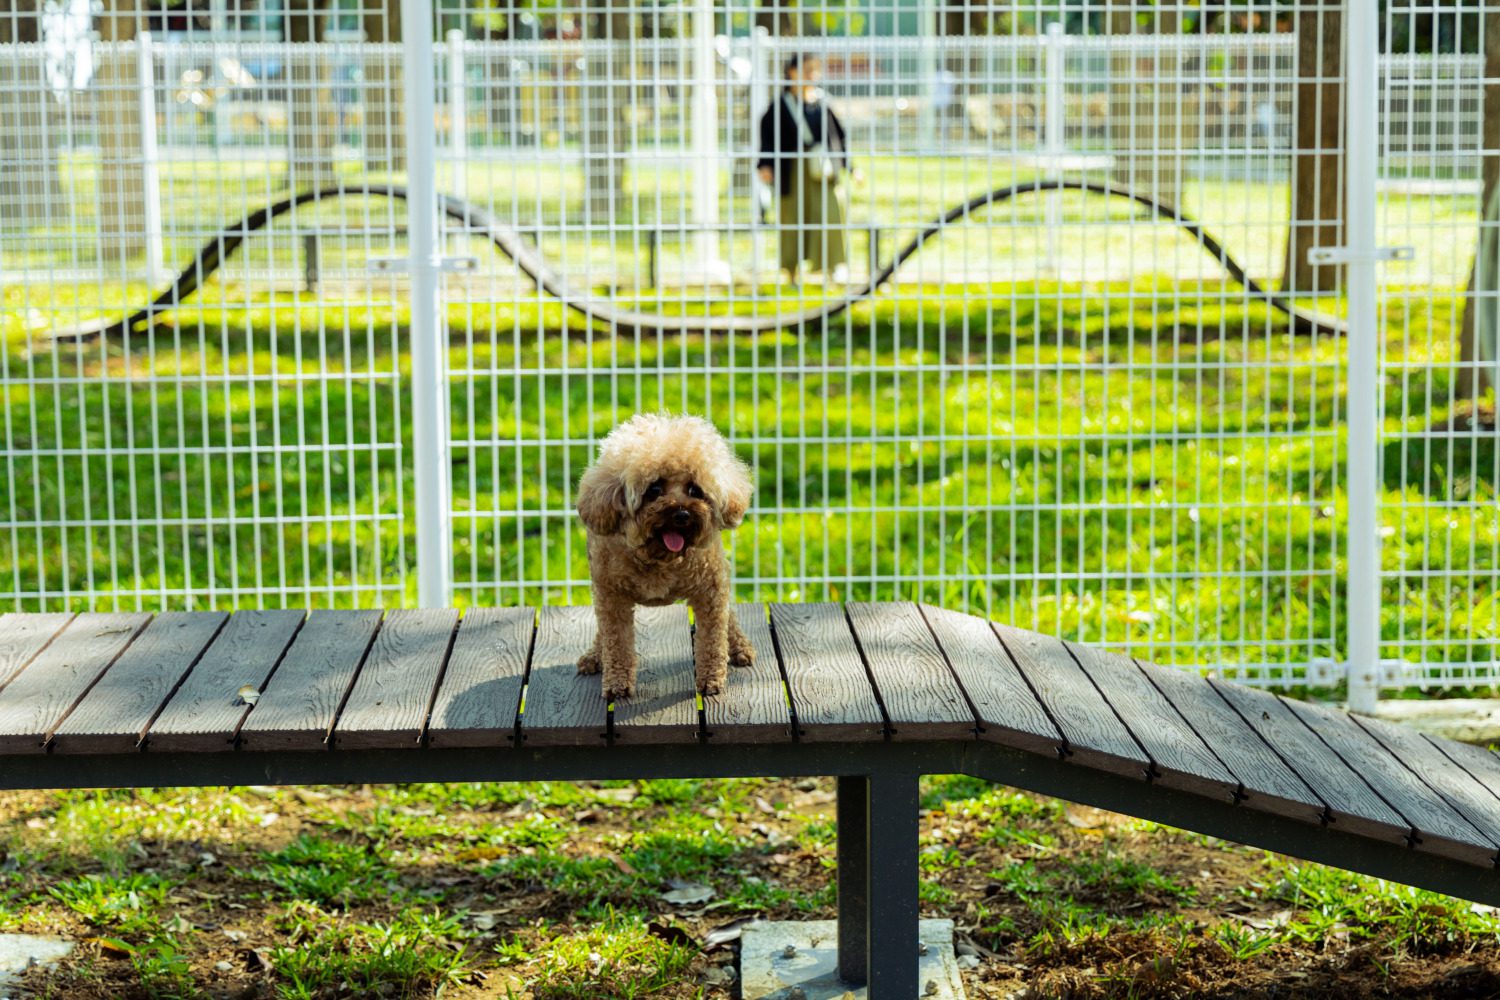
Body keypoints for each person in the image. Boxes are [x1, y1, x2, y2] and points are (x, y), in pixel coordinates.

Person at [756, 53, 860, 285]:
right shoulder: (780, 106)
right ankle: (791, 272)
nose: (812, 75)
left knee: (831, 216)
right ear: (792, 72)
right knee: (792, 220)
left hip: (823, 172)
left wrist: (851, 168)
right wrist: (765, 165)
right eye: (807, 69)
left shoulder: (823, 104)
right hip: (791, 174)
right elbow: (767, 139)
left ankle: (833, 269)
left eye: (815, 70)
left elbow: (838, 139)